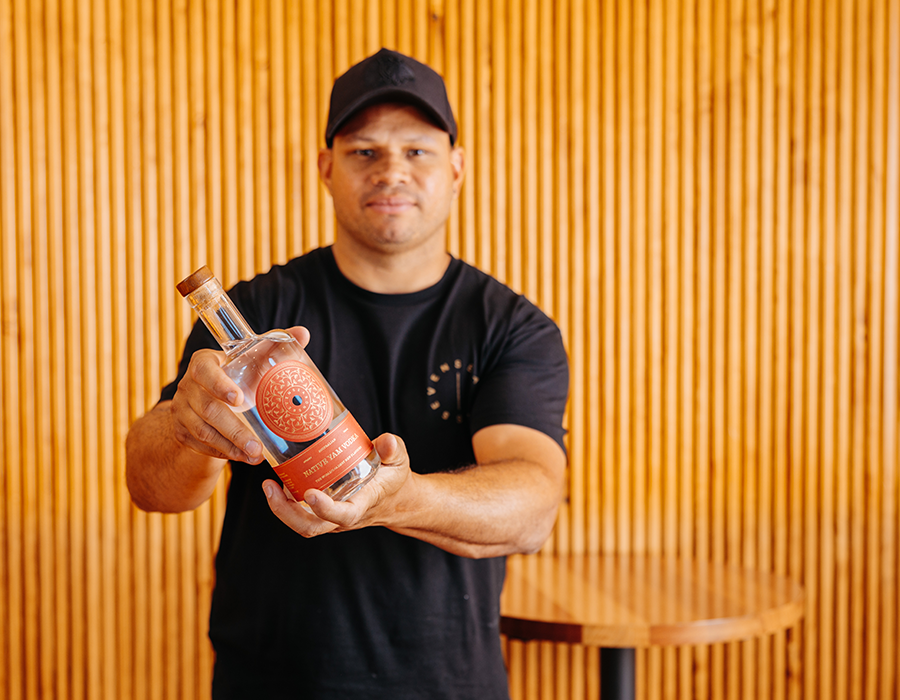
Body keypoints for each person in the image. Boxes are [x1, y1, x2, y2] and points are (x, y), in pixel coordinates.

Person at [125, 48, 569, 700]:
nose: (392, 170)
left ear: (457, 168)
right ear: (327, 169)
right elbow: (152, 487)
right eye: (365, 151)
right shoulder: (251, 316)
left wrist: (396, 499)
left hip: (447, 684)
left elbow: (531, 508)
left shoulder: (511, 326)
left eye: (417, 151)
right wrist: (188, 430)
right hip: (270, 682)